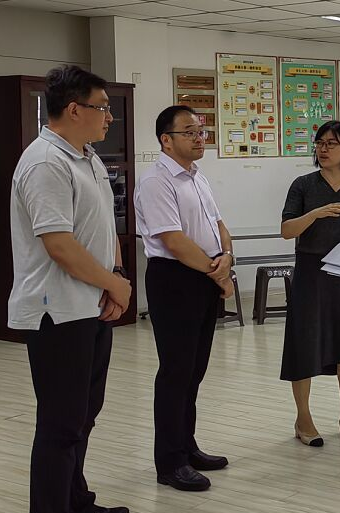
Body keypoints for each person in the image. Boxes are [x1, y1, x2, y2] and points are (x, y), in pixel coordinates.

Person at [9, 65, 131, 513]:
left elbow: (104, 225)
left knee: (84, 415)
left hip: (90, 305)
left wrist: (115, 276)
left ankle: (75, 504)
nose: (109, 117)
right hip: (56, 312)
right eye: (102, 108)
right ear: (75, 109)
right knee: (60, 425)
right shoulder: (45, 163)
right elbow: (58, 244)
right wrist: (114, 285)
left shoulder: (86, 157)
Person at [135, 105, 234, 492]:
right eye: (189, 132)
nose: (199, 138)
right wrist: (217, 272)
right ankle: (169, 462)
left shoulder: (196, 176)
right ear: (166, 139)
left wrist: (226, 257)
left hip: (204, 275)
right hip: (175, 279)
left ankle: (187, 446)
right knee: (175, 372)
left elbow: (218, 225)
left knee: (195, 370)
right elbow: (173, 241)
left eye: (200, 131)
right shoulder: (156, 181)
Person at [280, 121, 340, 446]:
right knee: (305, 344)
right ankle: (303, 418)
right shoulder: (303, 185)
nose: (323, 149)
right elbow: (287, 230)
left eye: (331, 143)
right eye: (320, 143)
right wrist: (316, 214)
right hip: (311, 274)